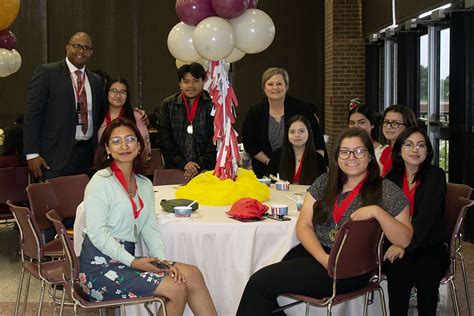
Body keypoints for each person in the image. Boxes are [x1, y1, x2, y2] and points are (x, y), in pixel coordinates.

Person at [237, 128, 413, 315]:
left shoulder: (385, 190)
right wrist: (324, 259)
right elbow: (304, 224)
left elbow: (404, 239)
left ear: (370, 156)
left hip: (351, 266)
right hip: (317, 254)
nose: (351, 157)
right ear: (336, 157)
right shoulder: (326, 182)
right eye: (344, 152)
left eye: (359, 151)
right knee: (259, 280)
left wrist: (377, 212)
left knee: (260, 284)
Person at [81, 117, 217, 315]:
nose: (124, 146)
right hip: (99, 267)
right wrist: (134, 262)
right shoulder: (100, 182)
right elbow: (98, 234)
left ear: (139, 145)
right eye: (116, 141)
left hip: (126, 260)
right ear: (108, 149)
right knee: (176, 288)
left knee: (193, 274)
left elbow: (149, 228)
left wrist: (163, 263)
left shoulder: (144, 184)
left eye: (130, 139)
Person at [384, 127, 449, 316]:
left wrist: (404, 245)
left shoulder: (435, 175)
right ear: (399, 150)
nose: (415, 150)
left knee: (426, 274)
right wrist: (398, 244)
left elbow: (427, 216)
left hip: (430, 243)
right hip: (397, 243)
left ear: (428, 151)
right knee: (398, 273)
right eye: (409, 144)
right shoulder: (391, 178)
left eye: (421, 145)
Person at [23, 32, 106, 180]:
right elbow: (32, 115)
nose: (81, 51)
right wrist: (32, 154)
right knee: (54, 203)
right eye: (77, 46)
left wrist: (137, 113)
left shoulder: (96, 80)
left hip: (87, 157)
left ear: (91, 53)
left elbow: (102, 113)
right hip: (54, 157)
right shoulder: (47, 73)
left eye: (86, 48)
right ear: (67, 47)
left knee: (85, 202)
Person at [241, 67, 327, 179]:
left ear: (286, 86)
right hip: (265, 170)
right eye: (270, 84)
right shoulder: (255, 111)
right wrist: (270, 162)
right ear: (264, 88)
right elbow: (249, 142)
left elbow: (317, 137)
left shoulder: (301, 107)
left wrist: (317, 164)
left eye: (279, 84)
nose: (275, 87)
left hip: (301, 172)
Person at [157, 62, 216, 180]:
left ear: (203, 82)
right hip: (175, 168)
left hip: (205, 170)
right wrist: (183, 163)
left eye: (195, 81)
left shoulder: (213, 104)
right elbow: (164, 139)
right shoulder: (168, 104)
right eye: (186, 81)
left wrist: (197, 165)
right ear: (180, 84)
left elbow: (214, 140)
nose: (191, 85)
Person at [98, 77, 151, 157]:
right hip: (103, 164)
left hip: (131, 164)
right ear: (107, 93)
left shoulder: (136, 116)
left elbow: (145, 147)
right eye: (114, 91)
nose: (118, 95)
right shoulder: (98, 116)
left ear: (127, 95)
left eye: (122, 92)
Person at [278, 115, 326, 185]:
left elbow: (323, 186)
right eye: (292, 132)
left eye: (301, 131)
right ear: (287, 134)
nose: (297, 135)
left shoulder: (318, 159)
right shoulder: (277, 156)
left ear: (309, 132)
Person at [379, 104, 417, 176]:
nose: (388, 127)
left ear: (408, 126)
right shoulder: (386, 152)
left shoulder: (411, 154)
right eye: (386, 122)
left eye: (395, 123)